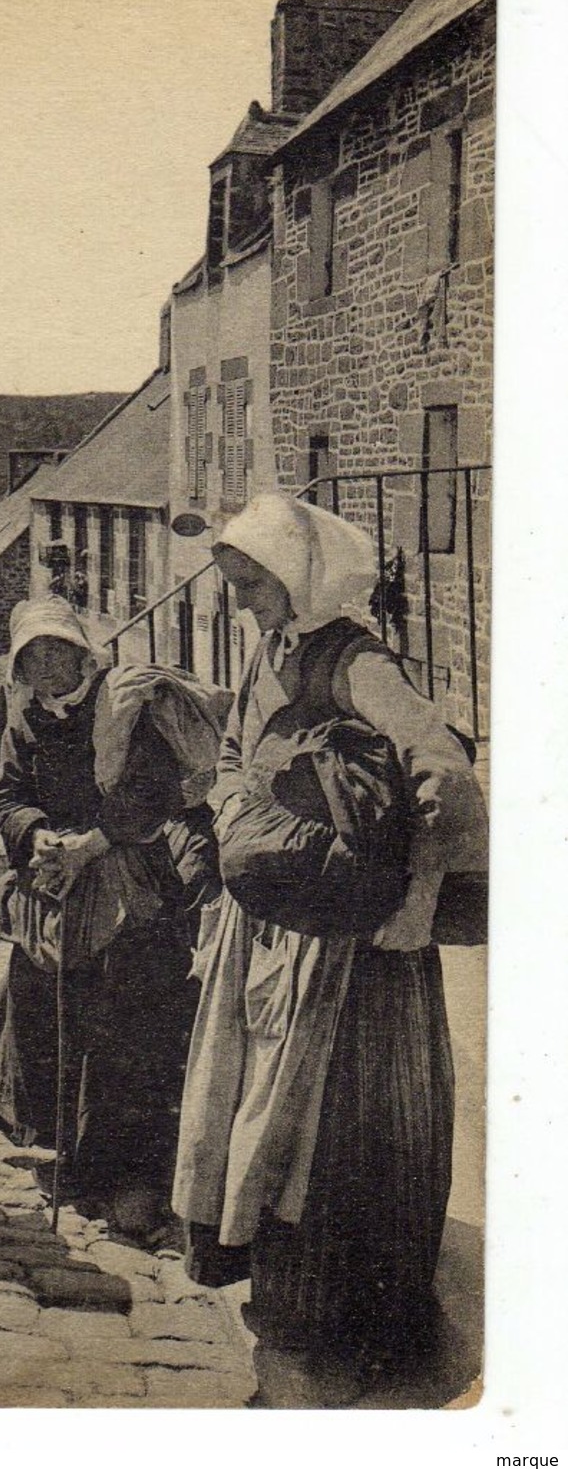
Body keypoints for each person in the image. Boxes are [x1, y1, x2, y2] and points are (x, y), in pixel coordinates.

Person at [170, 493, 489, 1408]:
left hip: (355, 942)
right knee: (262, 1100)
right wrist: (240, 818)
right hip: (276, 920)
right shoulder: (272, 651)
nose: (241, 604)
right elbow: (234, 750)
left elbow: (445, 771)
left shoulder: (357, 660)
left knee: (339, 1122)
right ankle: (282, 1284)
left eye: (253, 585)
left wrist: (420, 899)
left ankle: (349, 1317)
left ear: (297, 577)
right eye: (235, 587)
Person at [0, 595, 229, 1245]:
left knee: (131, 1026)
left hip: (131, 876)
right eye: (34, 655)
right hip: (57, 883)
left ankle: (134, 1176)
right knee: (44, 1009)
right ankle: (66, 1151)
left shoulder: (124, 706)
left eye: (58, 650)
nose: (49, 665)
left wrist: (91, 845)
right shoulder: (26, 719)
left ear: (81, 652)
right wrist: (36, 835)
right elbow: (10, 793)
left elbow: (151, 790)